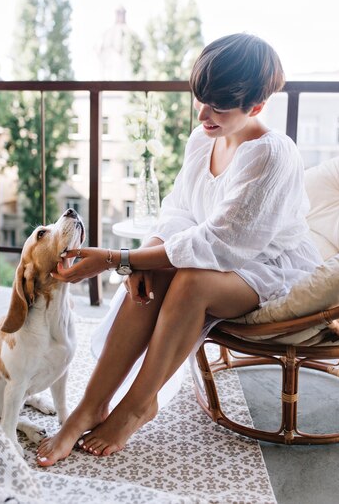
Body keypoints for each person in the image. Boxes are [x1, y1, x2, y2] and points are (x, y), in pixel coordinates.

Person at [36, 33, 322, 466]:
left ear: (257, 107)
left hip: (268, 267)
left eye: (218, 107)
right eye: (200, 99)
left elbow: (221, 248)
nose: (203, 114)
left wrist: (118, 259)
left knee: (189, 280)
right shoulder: (202, 139)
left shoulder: (270, 156)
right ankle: (88, 408)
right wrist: (138, 264)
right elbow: (178, 214)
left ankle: (136, 406)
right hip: (220, 257)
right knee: (153, 272)